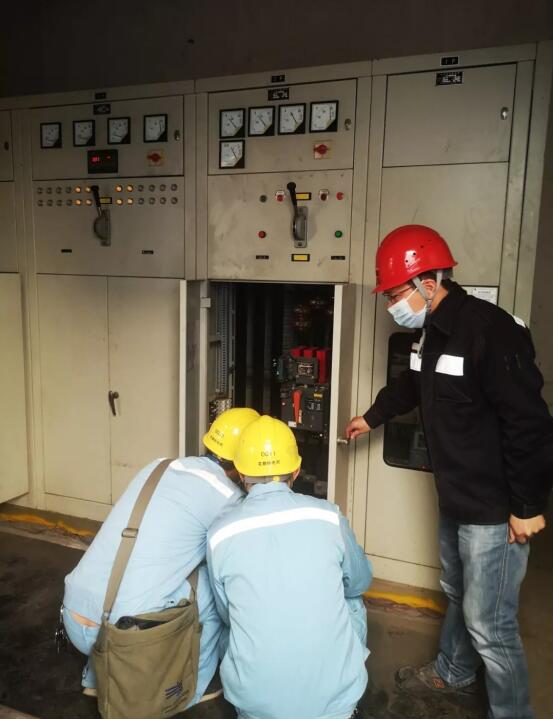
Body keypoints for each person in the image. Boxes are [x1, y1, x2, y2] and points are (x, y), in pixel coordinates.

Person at [346, 224, 553, 719]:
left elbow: (530, 425)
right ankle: (455, 670)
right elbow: (412, 385)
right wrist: (371, 417)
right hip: (456, 496)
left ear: (428, 282)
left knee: (491, 625)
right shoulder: (431, 333)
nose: (391, 305)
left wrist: (526, 507)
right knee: (457, 593)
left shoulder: (490, 331)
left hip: (495, 508)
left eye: (394, 294)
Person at [62, 407, 260, 705]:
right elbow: (240, 564)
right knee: (212, 583)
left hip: (75, 617)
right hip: (127, 637)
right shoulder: (227, 497)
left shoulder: (158, 466)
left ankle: (95, 677)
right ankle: (190, 688)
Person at [207, 415, 372, 719]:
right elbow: (361, 581)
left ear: (240, 472)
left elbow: (226, 613)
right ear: (296, 469)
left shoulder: (219, 534)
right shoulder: (328, 516)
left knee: (231, 623)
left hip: (255, 706)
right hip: (337, 703)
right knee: (353, 599)